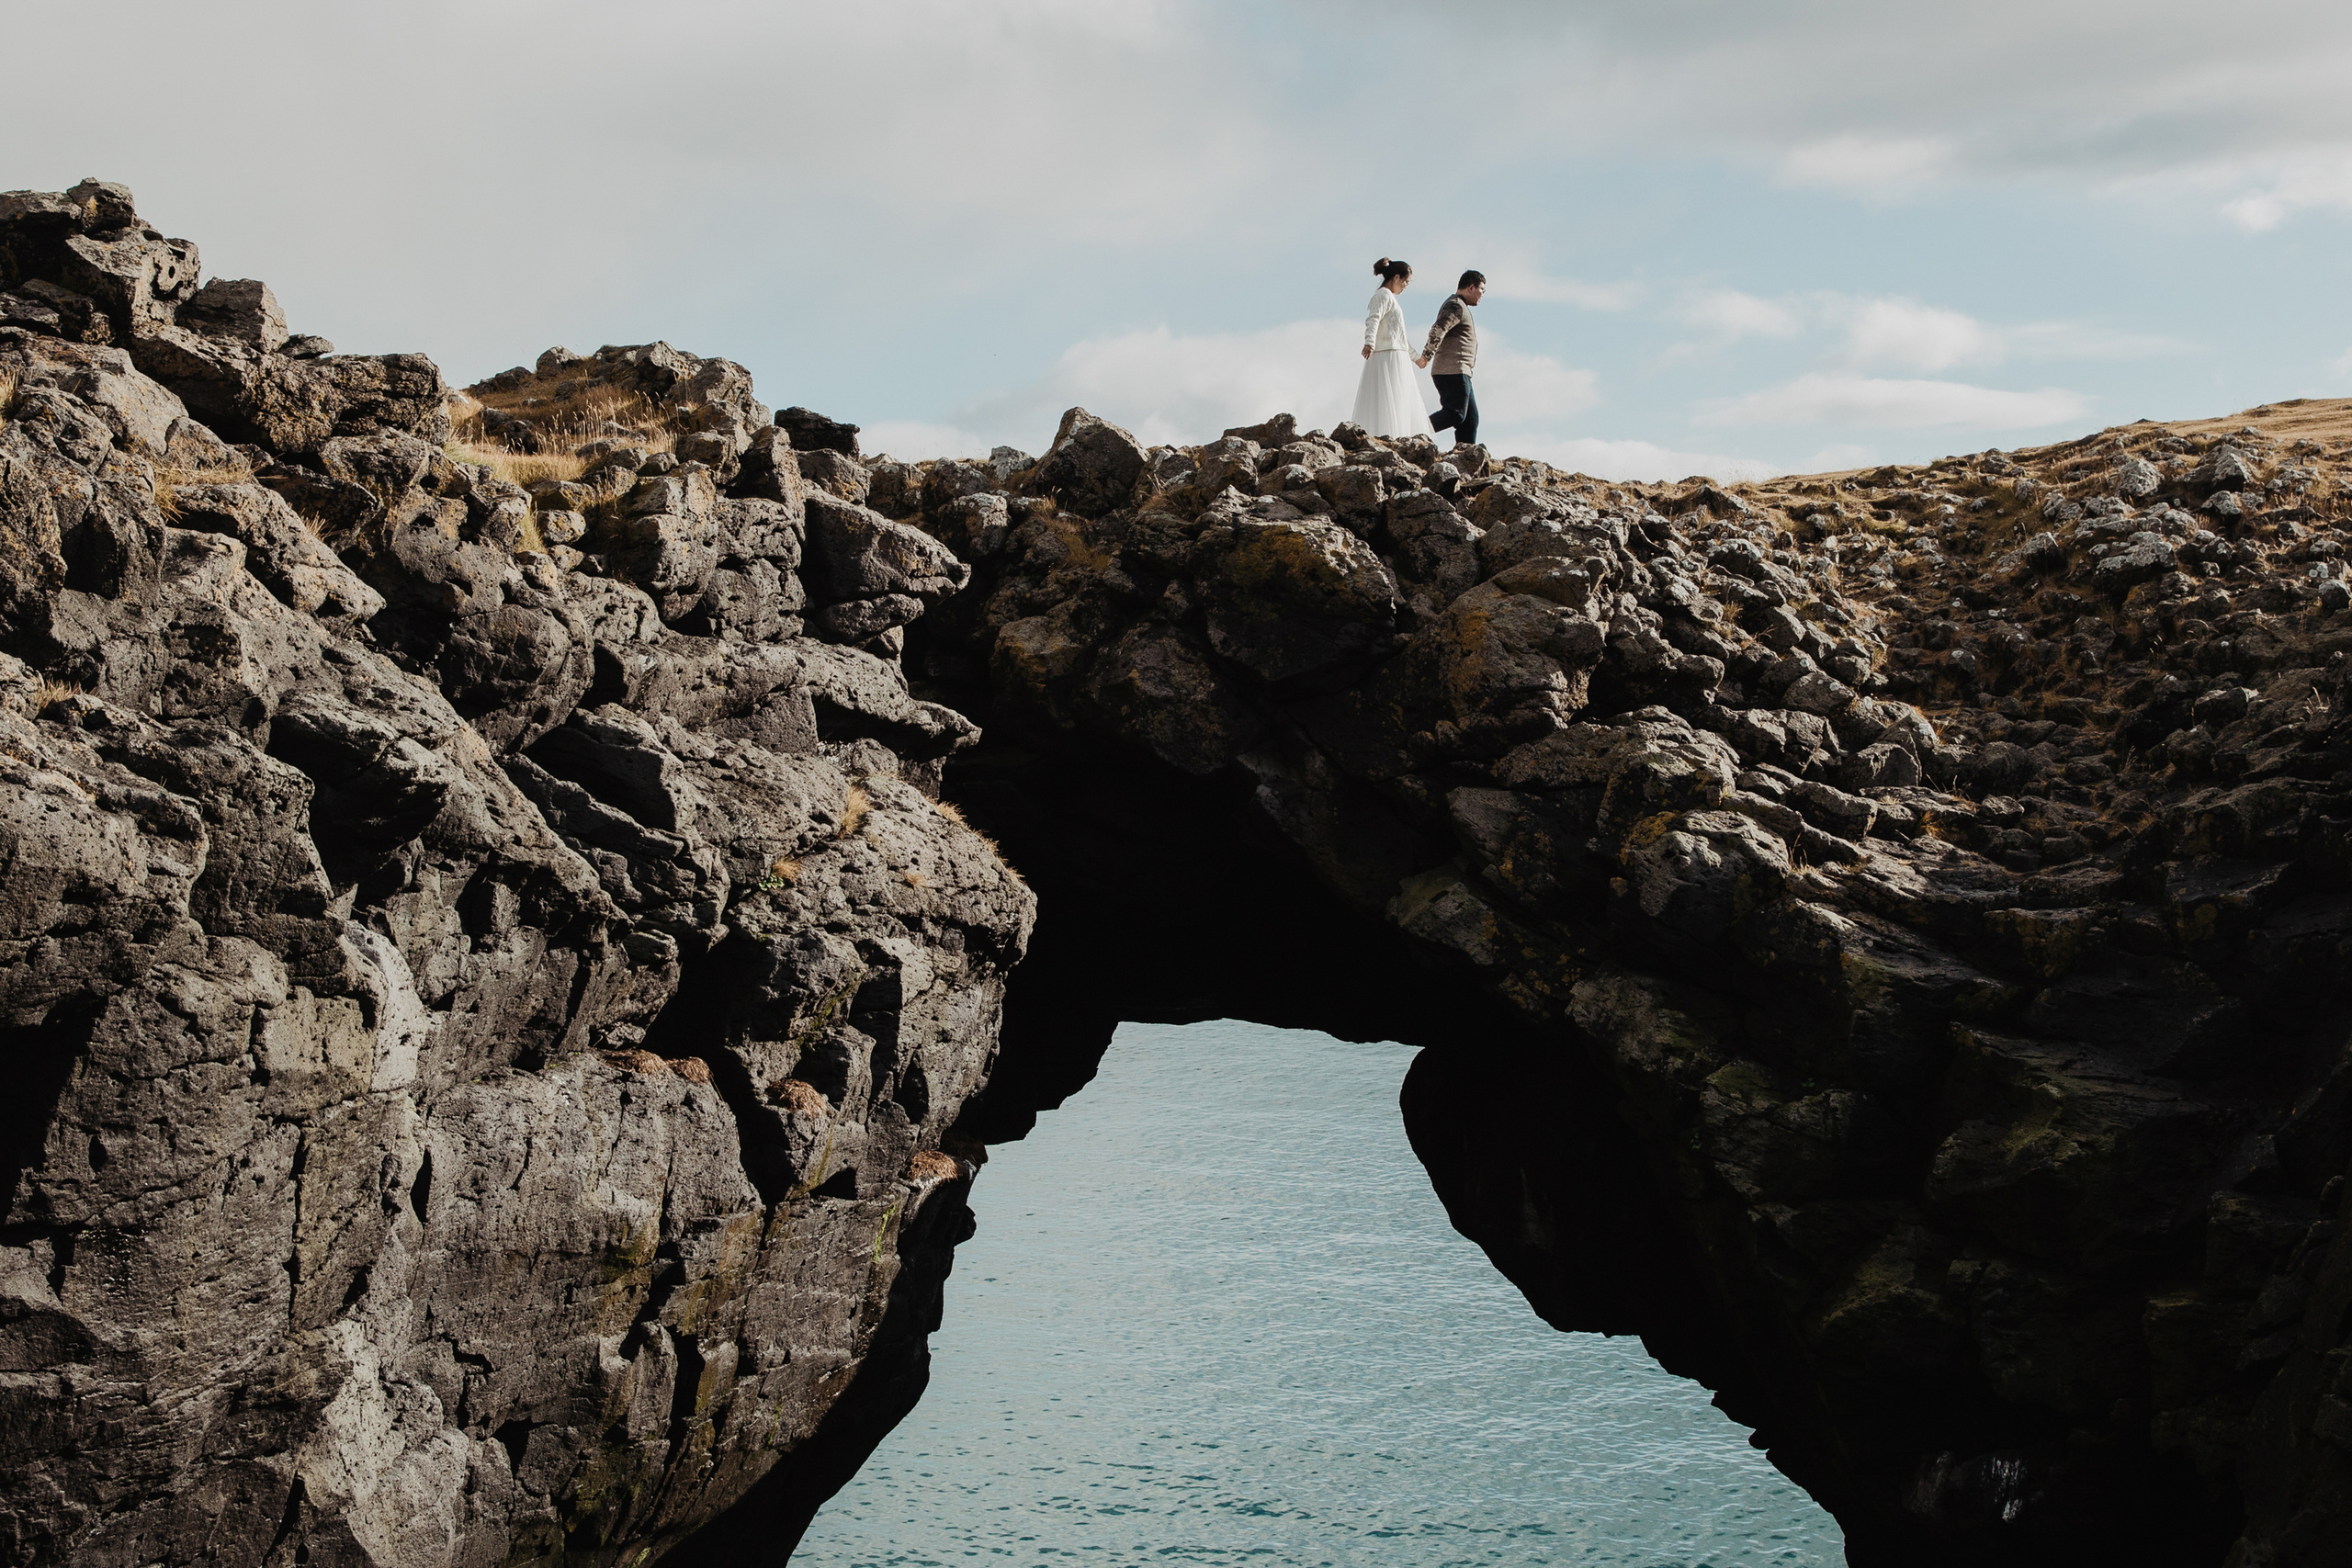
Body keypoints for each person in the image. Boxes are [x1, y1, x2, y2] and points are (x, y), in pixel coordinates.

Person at [1351, 258, 1435, 440]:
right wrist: (1369, 342)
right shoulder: (1383, 296)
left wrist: (1415, 358)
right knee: (1388, 401)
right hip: (1387, 357)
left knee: (1399, 401)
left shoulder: (1390, 298)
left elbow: (1399, 337)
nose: (1405, 286)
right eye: (1405, 281)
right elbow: (1373, 318)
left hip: (1397, 355)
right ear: (1396, 277)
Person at [1422, 270, 1485, 447]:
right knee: (1455, 413)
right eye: (1481, 290)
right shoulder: (1455, 305)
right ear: (1471, 287)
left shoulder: (1459, 306)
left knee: (1470, 420)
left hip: (1460, 370)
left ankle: (1465, 458)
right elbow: (1438, 329)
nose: (1482, 295)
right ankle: (1416, 429)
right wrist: (1427, 355)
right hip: (1452, 370)